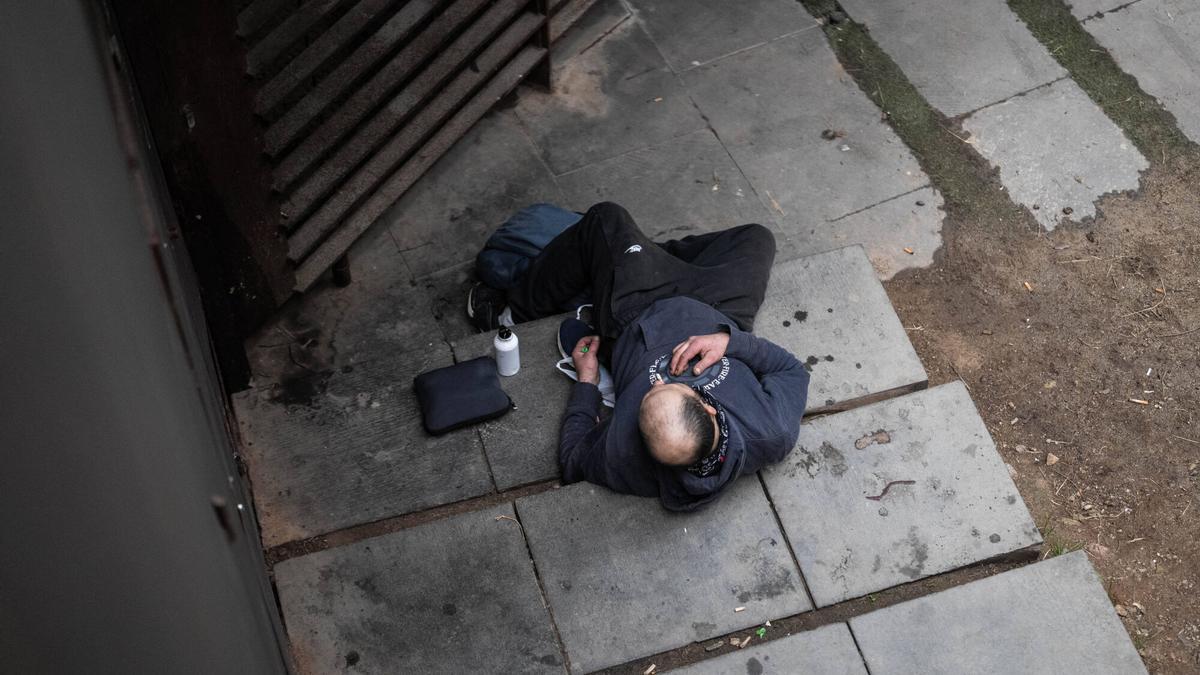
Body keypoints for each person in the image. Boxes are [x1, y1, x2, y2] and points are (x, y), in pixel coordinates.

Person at [468, 202, 809, 510]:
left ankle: (511, 313)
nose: (659, 379)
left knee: (606, 218)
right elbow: (792, 371)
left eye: (651, 391)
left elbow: (572, 461)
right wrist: (728, 340)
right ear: (706, 408)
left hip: (639, 309)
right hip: (719, 311)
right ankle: (644, 256)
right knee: (757, 238)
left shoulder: (622, 454)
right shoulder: (773, 432)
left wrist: (586, 381)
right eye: (669, 386)